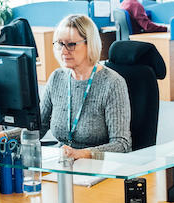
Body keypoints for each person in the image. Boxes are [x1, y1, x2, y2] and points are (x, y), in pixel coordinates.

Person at [40, 14, 131, 160]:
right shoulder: (57, 78)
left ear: (90, 44)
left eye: (71, 44)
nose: (63, 51)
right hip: (61, 164)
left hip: (98, 168)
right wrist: (2, 136)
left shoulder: (112, 83)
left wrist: (83, 154)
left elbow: (122, 144)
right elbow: (37, 126)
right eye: (60, 44)